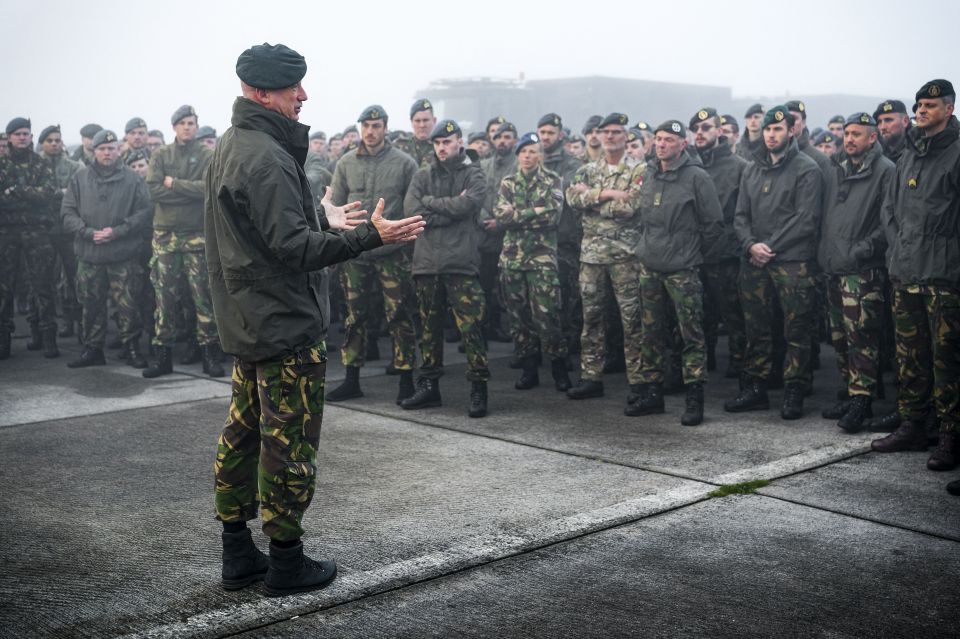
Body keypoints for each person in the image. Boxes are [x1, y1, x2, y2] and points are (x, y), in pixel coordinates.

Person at [206, 42, 424, 597]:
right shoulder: (265, 154)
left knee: (243, 434)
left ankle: (238, 553)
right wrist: (368, 236)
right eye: (291, 89)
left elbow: (265, 228)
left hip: (251, 320)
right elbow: (294, 248)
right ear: (261, 93)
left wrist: (320, 214)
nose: (302, 97)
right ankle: (285, 562)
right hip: (283, 324)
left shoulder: (237, 143)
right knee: (288, 446)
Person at [872, 79, 960, 473]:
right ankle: (913, 424)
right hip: (905, 272)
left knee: (947, 362)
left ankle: (950, 435)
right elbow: (890, 210)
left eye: (930, 105)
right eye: (919, 105)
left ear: (949, 109)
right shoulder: (909, 154)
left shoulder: (956, 154)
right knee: (910, 358)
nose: (921, 110)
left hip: (943, 276)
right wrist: (898, 248)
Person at [725, 106, 822, 419]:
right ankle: (756, 388)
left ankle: (794, 389)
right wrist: (751, 245)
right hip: (755, 263)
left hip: (792, 263)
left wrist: (770, 247)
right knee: (757, 328)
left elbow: (806, 218)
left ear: (791, 131)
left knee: (796, 329)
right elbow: (740, 216)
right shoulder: (752, 169)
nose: (771, 134)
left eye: (778, 129)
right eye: (768, 129)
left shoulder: (806, 169)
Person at [324, 105, 419, 404]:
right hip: (356, 252)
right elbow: (335, 206)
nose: (371, 131)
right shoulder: (346, 163)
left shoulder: (405, 163)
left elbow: (412, 207)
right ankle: (352, 378)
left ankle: (406, 379)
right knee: (355, 318)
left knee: (400, 315)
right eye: (366, 125)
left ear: (386, 127)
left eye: (376, 125)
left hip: (391, 252)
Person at [631, 119, 723, 425]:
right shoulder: (648, 173)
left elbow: (713, 225)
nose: (661, 144)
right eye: (657, 139)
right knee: (650, 333)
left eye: (668, 139)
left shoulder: (697, 177)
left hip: (682, 269)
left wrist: (693, 256)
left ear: (683, 144)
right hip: (650, 266)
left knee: (691, 335)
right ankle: (652, 394)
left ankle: (694, 397)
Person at [400, 119, 490, 417]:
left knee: (471, 329)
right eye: (437, 143)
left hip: (461, 263)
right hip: (427, 264)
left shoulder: (473, 173)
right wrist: (448, 207)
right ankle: (429, 387)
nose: (442, 147)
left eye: (447, 142)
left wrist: (432, 204)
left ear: (459, 142)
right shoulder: (422, 175)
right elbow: (413, 212)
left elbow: (470, 205)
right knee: (429, 329)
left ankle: (479, 388)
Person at [817, 113, 894, 432]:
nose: (849, 139)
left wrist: (859, 251)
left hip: (862, 271)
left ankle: (863, 399)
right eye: (846, 134)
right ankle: (851, 392)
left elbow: (887, 221)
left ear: (872, 138)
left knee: (862, 337)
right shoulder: (835, 168)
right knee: (839, 337)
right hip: (834, 268)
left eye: (857, 134)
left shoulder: (885, 171)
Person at [565, 112, 645, 410]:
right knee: (592, 318)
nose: (610, 137)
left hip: (626, 256)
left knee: (632, 320)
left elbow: (633, 206)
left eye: (616, 132)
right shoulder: (587, 170)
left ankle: (639, 380)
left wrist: (593, 200)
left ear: (626, 137)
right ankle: (591, 377)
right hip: (592, 256)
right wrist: (611, 193)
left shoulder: (640, 169)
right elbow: (573, 199)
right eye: (605, 132)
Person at [143, 104, 223, 378]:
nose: (188, 127)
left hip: (197, 236)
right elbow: (153, 190)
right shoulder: (161, 154)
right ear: (174, 127)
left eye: (192, 123)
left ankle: (209, 355)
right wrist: (188, 191)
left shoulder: (207, 155)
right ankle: (162, 355)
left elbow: (209, 188)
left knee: (203, 298)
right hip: (165, 237)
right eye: (183, 123)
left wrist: (174, 184)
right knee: (164, 298)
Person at [61, 130, 152, 368]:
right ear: (94, 151)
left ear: (119, 150)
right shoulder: (79, 178)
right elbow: (67, 212)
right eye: (102, 148)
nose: (107, 152)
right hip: (90, 254)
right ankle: (93, 349)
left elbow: (144, 212)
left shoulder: (133, 179)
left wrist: (118, 231)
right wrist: (87, 232)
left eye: (111, 148)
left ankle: (131, 347)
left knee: (128, 305)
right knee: (91, 304)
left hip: (123, 254)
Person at [493, 132, 571, 391]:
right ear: (518, 155)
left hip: (542, 260)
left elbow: (553, 216)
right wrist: (534, 212)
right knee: (519, 317)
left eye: (532, 151)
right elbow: (502, 216)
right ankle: (528, 369)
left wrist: (518, 215)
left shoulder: (552, 180)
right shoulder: (508, 182)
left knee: (548, 316)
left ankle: (559, 367)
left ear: (540, 155)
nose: (527, 156)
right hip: (512, 260)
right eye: (523, 151)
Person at [690, 108, 748, 379]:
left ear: (719, 131)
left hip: (726, 255)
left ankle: (739, 363)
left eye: (706, 128)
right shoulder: (689, 165)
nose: (700, 133)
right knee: (700, 314)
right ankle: (706, 358)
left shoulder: (739, 167)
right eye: (696, 129)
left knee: (733, 313)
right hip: (693, 252)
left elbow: (744, 214)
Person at [0, 117, 58, 360]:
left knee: (43, 286)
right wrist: (28, 197)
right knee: (4, 289)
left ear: (31, 137)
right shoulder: (2, 165)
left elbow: (48, 193)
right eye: (18, 134)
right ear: (9, 137)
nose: (23, 137)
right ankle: (4, 341)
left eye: (26, 133)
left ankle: (46, 338)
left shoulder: (41, 164)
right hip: (7, 232)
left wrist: (18, 191)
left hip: (37, 232)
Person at [538, 113, 585, 360]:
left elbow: (565, 195)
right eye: (542, 132)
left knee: (568, 299)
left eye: (550, 133)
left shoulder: (572, 164)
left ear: (560, 135)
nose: (545, 137)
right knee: (543, 300)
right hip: (538, 242)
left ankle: (569, 349)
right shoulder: (532, 158)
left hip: (565, 239)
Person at [37, 125, 83, 340]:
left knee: (74, 277)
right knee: (49, 280)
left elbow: (78, 194)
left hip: (68, 231)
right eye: (49, 140)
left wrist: (54, 195)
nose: (54, 144)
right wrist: (58, 193)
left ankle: (78, 323)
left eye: (57, 140)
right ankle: (51, 326)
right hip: (43, 231)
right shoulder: (35, 166)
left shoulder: (74, 166)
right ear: (42, 143)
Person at [478, 121, 517, 343]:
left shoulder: (520, 166)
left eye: (507, 137)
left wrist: (501, 223)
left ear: (514, 140)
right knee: (483, 286)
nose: (502, 141)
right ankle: (484, 329)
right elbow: (474, 196)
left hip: (508, 237)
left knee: (506, 289)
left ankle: (505, 328)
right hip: (483, 237)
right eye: (499, 137)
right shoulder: (482, 166)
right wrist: (486, 220)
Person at [395, 99, 436, 168]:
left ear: (434, 121)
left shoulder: (443, 147)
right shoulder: (399, 147)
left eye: (425, 120)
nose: (422, 125)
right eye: (417, 121)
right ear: (411, 122)